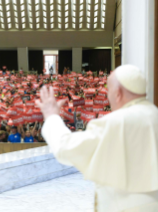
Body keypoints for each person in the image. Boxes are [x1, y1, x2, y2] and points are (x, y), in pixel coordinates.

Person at [36, 65, 158, 212]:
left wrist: (51, 116)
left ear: (118, 93)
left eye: (109, 91)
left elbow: (66, 148)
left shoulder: (115, 122)